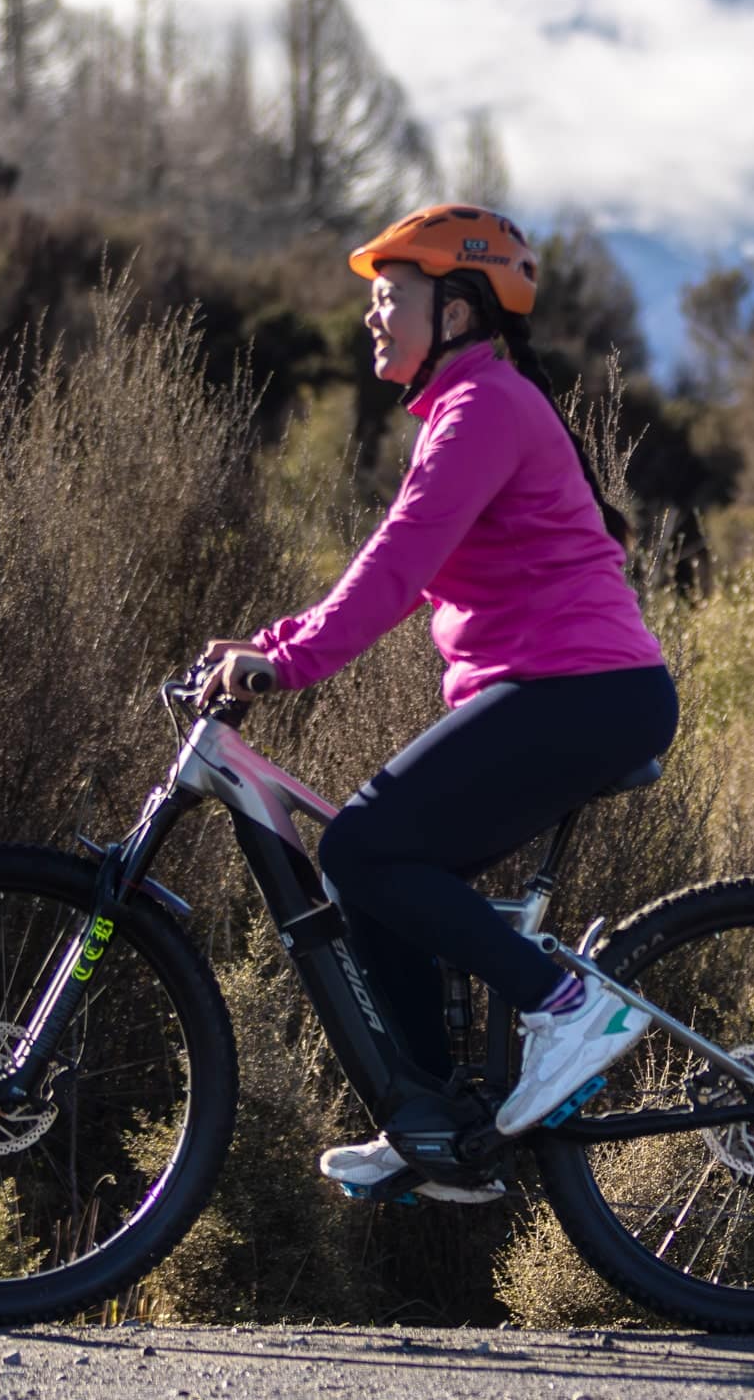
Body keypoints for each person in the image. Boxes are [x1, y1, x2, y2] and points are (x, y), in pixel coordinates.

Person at [195, 202, 676, 1205]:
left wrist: (288, 665)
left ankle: (567, 1004)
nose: (372, 318)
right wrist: (270, 648)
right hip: (556, 691)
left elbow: (398, 558)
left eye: (388, 297)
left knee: (363, 848)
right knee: (373, 875)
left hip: (583, 692)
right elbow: (408, 573)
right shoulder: (466, 406)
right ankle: (433, 1125)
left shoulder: (483, 408)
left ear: (455, 310)